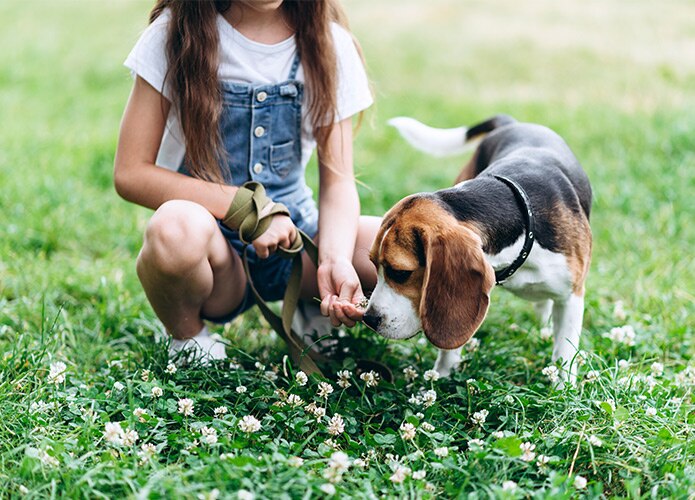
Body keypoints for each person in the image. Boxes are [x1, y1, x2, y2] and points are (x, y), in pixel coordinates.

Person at [114, 0, 378, 361]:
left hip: (296, 243)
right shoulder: (172, 34)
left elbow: (338, 183)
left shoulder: (330, 43)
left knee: (393, 246)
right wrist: (245, 209)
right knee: (173, 228)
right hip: (217, 257)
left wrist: (333, 259)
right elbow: (131, 173)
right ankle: (189, 338)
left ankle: (313, 304)